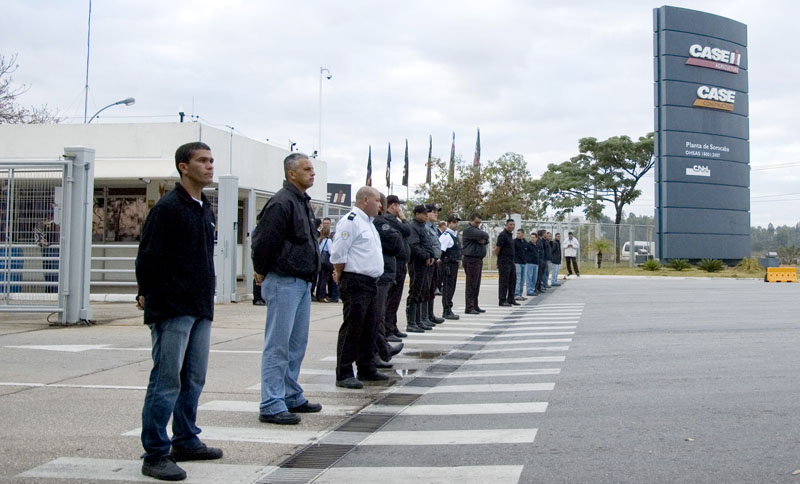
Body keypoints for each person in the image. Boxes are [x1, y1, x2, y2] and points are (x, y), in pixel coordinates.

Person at [136, 142, 222, 481]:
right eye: (202, 161)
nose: (209, 166)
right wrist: (148, 295)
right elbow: (148, 257)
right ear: (183, 167)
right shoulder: (168, 208)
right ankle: (155, 452)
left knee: (194, 378)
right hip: (173, 307)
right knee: (166, 379)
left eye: (211, 160)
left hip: (200, 306)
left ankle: (186, 438)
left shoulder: (204, 208)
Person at [251, 152, 321, 426]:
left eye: (312, 168)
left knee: (296, 344)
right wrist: (261, 269)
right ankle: (271, 402)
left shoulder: (300, 202)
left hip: (301, 282)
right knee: (277, 345)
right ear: (291, 174)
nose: (312, 173)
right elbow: (263, 241)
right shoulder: (281, 203)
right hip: (284, 280)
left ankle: (291, 394)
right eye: (306, 169)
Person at [330, 186, 386, 389]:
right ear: (365, 200)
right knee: (353, 327)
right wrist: (341, 275)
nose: (380, 205)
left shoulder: (369, 223)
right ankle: (344, 372)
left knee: (369, 327)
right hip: (356, 281)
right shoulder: (351, 221)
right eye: (378, 201)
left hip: (370, 282)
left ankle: (366, 368)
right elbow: (338, 253)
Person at [371, 193, 404, 367]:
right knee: (377, 316)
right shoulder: (380, 222)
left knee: (379, 315)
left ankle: (381, 350)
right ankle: (379, 351)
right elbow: (397, 241)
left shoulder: (375, 222)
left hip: (386, 273)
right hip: (380, 276)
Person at [383, 195, 411, 339]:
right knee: (392, 297)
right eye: (398, 206)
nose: (400, 209)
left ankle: (392, 326)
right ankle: (387, 328)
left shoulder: (393, 220)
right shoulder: (389, 219)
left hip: (400, 262)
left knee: (396, 297)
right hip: (395, 262)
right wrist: (403, 217)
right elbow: (407, 230)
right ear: (393, 206)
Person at [406, 205, 435, 332]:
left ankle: (419, 320)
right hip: (417, 262)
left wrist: (431, 255)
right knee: (415, 290)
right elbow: (414, 245)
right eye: (424, 213)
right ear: (417, 214)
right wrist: (426, 256)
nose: (426, 216)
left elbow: (428, 243)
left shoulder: (422, 227)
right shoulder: (414, 226)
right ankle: (412, 322)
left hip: (425, 263)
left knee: (423, 290)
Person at [462, 213, 489, 315]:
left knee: (476, 284)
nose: (478, 224)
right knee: (471, 284)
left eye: (479, 223)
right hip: (471, 259)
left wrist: (484, 239)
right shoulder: (468, 229)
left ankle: (475, 305)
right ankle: (469, 307)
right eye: (476, 222)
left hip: (478, 259)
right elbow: (484, 235)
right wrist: (483, 236)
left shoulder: (476, 230)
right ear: (471, 220)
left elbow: (486, 239)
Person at [423, 203, 444, 326]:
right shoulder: (424, 227)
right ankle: (423, 316)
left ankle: (430, 315)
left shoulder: (433, 227)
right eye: (433, 211)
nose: (436, 214)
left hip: (435, 261)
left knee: (432, 289)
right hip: (427, 261)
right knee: (425, 290)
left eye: (437, 212)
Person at [439, 214, 462, 320]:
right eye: (453, 222)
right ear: (448, 223)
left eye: (457, 222)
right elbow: (441, 251)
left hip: (453, 265)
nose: (455, 224)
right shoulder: (446, 236)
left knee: (452, 287)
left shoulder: (454, 235)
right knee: (448, 287)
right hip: (447, 265)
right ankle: (446, 309)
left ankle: (449, 308)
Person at [495, 218, 517, 306]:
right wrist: (500, 258)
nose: (512, 226)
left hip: (511, 261)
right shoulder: (503, 235)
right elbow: (497, 249)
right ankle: (502, 300)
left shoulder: (510, 235)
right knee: (504, 281)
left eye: (513, 224)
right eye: (510, 224)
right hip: (504, 261)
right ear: (506, 225)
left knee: (512, 280)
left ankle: (511, 298)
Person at [315, 225, 334, 302]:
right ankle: (322, 295)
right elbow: (331, 251)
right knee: (324, 279)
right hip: (326, 262)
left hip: (321, 262)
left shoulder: (320, 240)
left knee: (320, 279)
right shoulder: (328, 241)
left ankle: (318, 294)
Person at [513, 228, 528, 301]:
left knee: (522, 279)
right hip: (517, 262)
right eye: (517, 233)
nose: (518, 235)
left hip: (524, 262)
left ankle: (520, 294)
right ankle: (516, 294)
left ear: (523, 234)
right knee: (518, 278)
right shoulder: (515, 242)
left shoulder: (524, 242)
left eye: (519, 233)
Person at [525, 232, 540, 296]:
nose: (532, 239)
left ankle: (533, 289)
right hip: (529, 263)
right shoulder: (528, 245)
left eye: (533, 237)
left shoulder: (537, 245)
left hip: (536, 263)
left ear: (536, 238)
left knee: (534, 278)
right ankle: (529, 290)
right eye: (531, 237)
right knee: (529, 277)